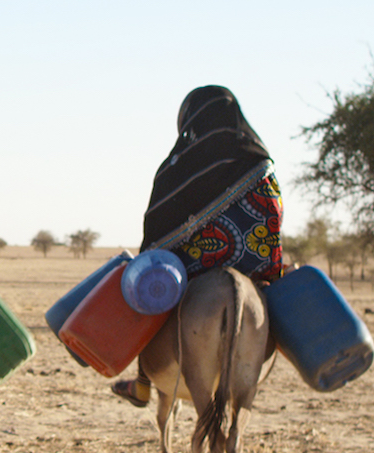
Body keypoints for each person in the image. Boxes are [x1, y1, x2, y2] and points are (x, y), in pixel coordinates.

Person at [114, 85, 285, 407]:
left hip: (190, 269)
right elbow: (273, 216)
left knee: (148, 297)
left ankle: (142, 383)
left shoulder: (178, 166)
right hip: (256, 266)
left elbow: (156, 227)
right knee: (281, 305)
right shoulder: (261, 160)